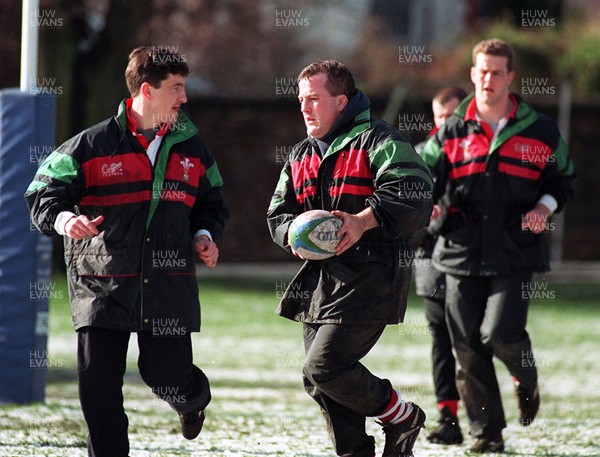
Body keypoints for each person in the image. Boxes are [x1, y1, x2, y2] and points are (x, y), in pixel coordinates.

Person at [25, 46, 229, 457]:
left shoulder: (193, 148)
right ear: (147, 90)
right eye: (176, 88)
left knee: (168, 377)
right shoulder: (90, 144)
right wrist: (67, 220)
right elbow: (42, 193)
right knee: (97, 392)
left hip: (168, 285)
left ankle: (193, 402)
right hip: (101, 285)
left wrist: (204, 233)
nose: (184, 98)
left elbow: (213, 200)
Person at [267, 60, 433, 457]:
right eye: (301, 100)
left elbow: (415, 191)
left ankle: (402, 416)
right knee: (318, 380)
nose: (305, 108)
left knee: (324, 367)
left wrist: (363, 220)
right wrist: (292, 232)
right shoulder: (301, 153)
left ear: (341, 101)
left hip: (373, 275)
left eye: (314, 99)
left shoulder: (380, 141)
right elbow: (277, 213)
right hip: (322, 280)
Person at [420, 39, 575, 453]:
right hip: (458, 250)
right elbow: (420, 172)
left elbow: (564, 179)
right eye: (482, 71)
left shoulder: (539, 129)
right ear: (473, 74)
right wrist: (429, 201)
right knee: (466, 344)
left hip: (514, 250)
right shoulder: (451, 129)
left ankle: (527, 377)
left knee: (501, 332)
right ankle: (488, 433)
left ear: (510, 77)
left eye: (497, 72)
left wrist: (544, 207)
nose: (488, 79)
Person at [413, 86, 467, 446]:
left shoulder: (475, 156)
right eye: (438, 117)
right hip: (430, 257)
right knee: (441, 337)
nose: (444, 123)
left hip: (470, 257)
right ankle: (448, 417)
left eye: (451, 116)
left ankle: (483, 411)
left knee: (475, 337)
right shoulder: (420, 156)